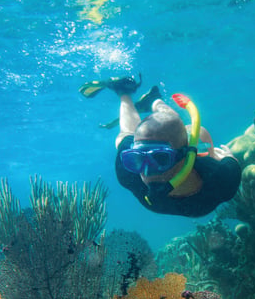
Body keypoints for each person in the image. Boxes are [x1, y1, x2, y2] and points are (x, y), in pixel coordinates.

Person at [79, 76, 241, 217]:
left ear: (185, 154)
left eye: (160, 158)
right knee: (126, 135)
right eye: (135, 158)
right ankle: (124, 91)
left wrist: (228, 157)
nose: (147, 173)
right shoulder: (129, 173)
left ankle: (155, 101)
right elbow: (129, 137)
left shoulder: (221, 178)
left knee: (179, 124)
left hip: (193, 154)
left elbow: (231, 162)